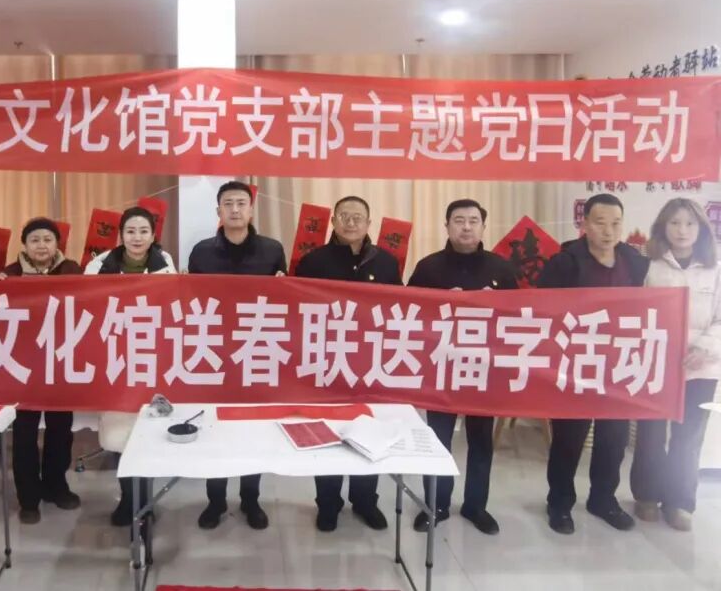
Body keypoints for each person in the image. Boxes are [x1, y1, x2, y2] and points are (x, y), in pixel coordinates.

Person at [539, 193, 648, 535]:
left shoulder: (635, 262)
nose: (608, 231)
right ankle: (559, 503)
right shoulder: (564, 263)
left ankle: (603, 499)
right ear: (584, 223)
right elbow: (542, 309)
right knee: (569, 439)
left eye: (616, 223)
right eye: (600, 223)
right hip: (575, 364)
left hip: (618, 364)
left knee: (613, 438)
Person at [407, 199, 518, 536]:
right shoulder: (428, 268)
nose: (466, 227)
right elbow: (407, 313)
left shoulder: (501, 269)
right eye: (459, 220)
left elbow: (519, 318)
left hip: (484, 369)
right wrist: (441, 303)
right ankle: (436, 504)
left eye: (473, 220)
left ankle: (476, 506)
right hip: (441, 367)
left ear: (483, 227)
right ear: (447, 226)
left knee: (481, 441)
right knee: (438, 439)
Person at [296, 195, 401, 533]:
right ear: (333, 221)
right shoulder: (313, 261)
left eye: (358, 217)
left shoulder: (386, 262)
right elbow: (298, 308)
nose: (351, 222)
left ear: (369, 223)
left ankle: (365, 500)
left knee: (369, 431)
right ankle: (328, 503)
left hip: (371, 361)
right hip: (326, 360)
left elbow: (399, 308)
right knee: (328, 433)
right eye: (344, 216)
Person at [187, 180, 286, 530]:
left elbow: (283, 300)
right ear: (218, 211)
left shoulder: (272, 250)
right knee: (214, 427)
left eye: (241, 203)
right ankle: (215, 500)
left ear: (251, 209)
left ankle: (250, 499)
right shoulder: (201, 252)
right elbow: (191, 302)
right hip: (213, 350)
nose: (234, 209)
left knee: (252, 429)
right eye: (228, 203)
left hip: (256, 350)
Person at [630, 198, 721, 531]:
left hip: (701, 366)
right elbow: (634, 312)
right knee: (651, 433)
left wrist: (705, 348)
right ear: (662, 227)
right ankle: (646, 496)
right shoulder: (649, 265)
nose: (682, 231)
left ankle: (680, 502)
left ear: (702, 229)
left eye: (690, 223)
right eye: (675, 223)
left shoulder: (715, 267)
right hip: (655, 364)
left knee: (689, 436)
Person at [84, 206, 177, 527]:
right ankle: (127, 499)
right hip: (114, 358)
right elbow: (86, 307)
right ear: (121, 235)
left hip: (153, 358)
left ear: (153, 235)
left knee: (148, 430)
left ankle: (145, 502)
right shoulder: (99, 266)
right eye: (131, 231)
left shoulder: (165, 264)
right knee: (119, 433)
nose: (137, 238)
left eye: (143, 231)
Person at [0, 218, 82, 524]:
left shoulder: (72, 270)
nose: (41, 245)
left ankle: (57, 486)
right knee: (24, 433)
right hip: (23, 365)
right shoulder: (9, 274)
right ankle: (28, 498)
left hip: (60, 362)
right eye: (35, 240)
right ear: (25, 245)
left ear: (57, 243)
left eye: (47, 239)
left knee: (61, 429)